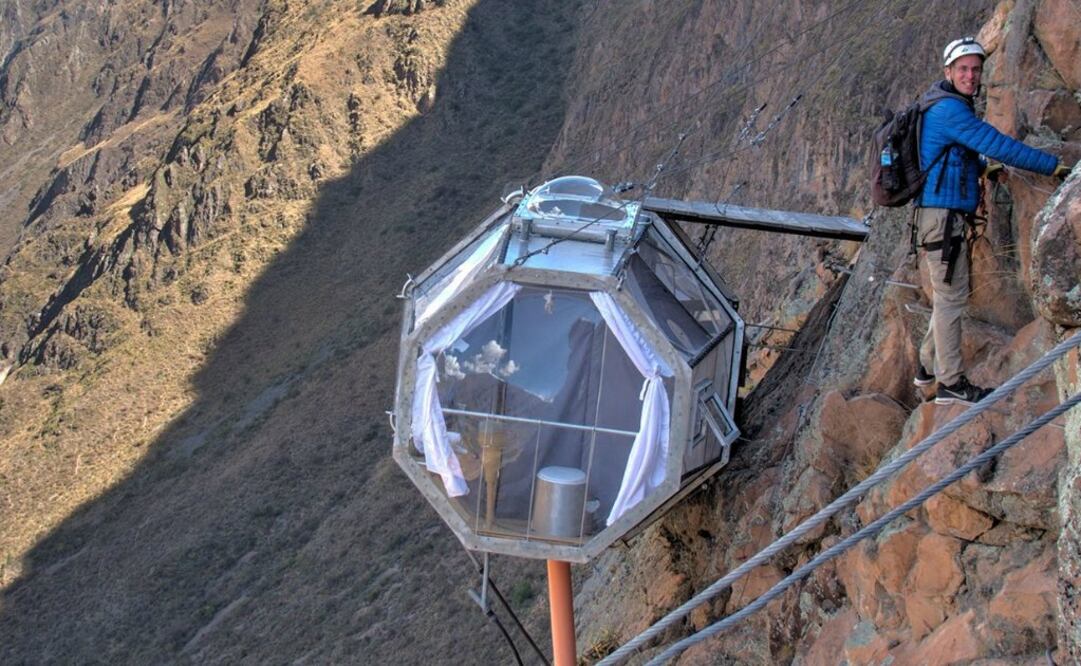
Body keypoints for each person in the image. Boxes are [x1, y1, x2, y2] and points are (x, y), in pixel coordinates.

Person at [913, 36, 1072, 405]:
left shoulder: (944, 104)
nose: (970, 75)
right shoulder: (950, 110)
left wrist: (985, 168)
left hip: (942, 217)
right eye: (963, 69)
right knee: (951, 299)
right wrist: (1054, 167)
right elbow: (997, 143)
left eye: (975, 69)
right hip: (943, 219)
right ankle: (950, 383)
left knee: (947, 295)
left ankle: (927, 367)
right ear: (948, 71)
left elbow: (957, 154)